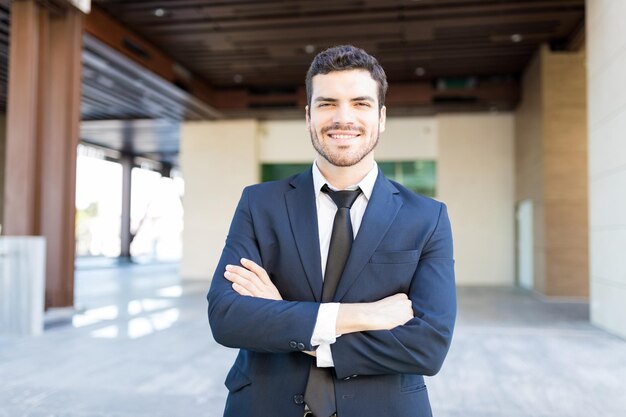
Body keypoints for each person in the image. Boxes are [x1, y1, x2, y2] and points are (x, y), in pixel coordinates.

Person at [208, 45, 456, 417]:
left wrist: (284, 316)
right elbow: (228, 318)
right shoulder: (260, 204)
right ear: (308, 115)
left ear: (381, 116)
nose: (343, 118)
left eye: (360, 103)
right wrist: (363, 316)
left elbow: (428, 346)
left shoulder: (427, 217)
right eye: (327, 104)